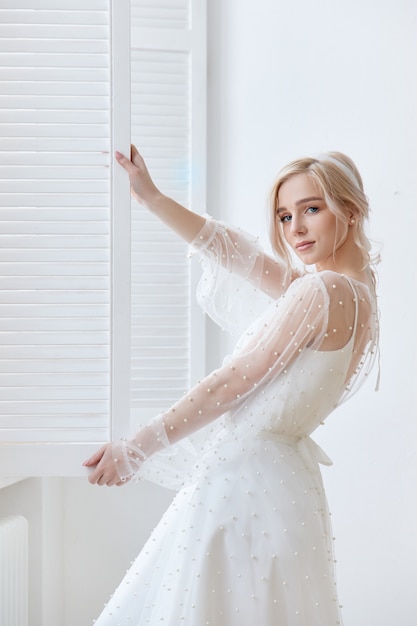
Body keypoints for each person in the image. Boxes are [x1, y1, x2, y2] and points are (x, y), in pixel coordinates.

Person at [84, 146, 379, 625]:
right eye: (284, 216)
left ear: (352, 209)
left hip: (247, 484)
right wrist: (155, 199)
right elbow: (242, 257)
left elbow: (234, 381)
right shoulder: (358, 292)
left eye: (312, 208)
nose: (295, 229)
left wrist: (136, 447)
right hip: (288, 489)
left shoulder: (321, 291)